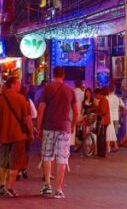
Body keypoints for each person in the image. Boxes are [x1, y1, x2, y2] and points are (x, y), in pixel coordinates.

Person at [37, 66, 78, 198]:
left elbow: (41, 109)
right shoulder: (70, 90)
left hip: (49, 126)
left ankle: (47, 185)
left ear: (53, 75)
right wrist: (72, 125)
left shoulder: (47, 88)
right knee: (62, 158)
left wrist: (38, 126)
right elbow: (76, 112)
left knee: (47, 156)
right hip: (64, 127)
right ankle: (59, 189)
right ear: (64, 75)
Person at [0, 76, 32, 198]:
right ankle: (10, 188)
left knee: (4, 162)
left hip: (4, 135)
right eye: (18, 83)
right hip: (18, 136)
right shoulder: (21, 99)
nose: (20, 86)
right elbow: (27, 118)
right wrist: (31, 132)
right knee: (15, 163)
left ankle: (3, 185)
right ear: (12, 85)